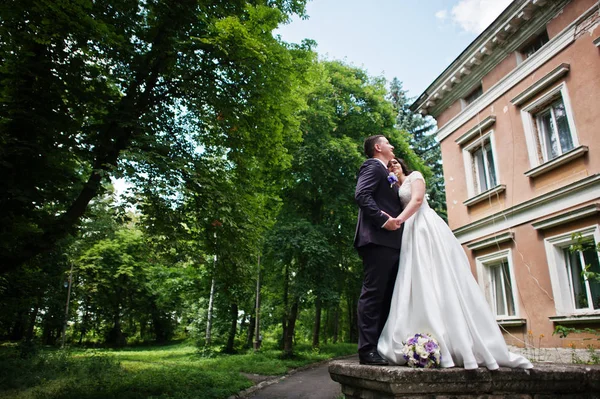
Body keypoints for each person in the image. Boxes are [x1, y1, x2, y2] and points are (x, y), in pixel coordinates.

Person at [377, 158, 533, 370]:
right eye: (389, 165)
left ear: (402, 165)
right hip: (409, 232)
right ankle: (420, 335)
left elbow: (417, 201)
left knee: (435, 272)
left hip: (424, 225)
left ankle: (459, 341)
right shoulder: (395, 187)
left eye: (395, 162)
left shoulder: (415, 177)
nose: (392, 165)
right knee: (414, 277)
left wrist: (398, 221)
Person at [354, 135, 404, 365]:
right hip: (377, 240)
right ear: (378, 147)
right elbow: (362, 195)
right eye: (388, 143)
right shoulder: (373, 166)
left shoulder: (388, 172)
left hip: (392, 242)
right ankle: (367, 350)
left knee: (387, 297)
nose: (392, 146)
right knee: (374, 295)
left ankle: (381, 347)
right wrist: (385, 220)